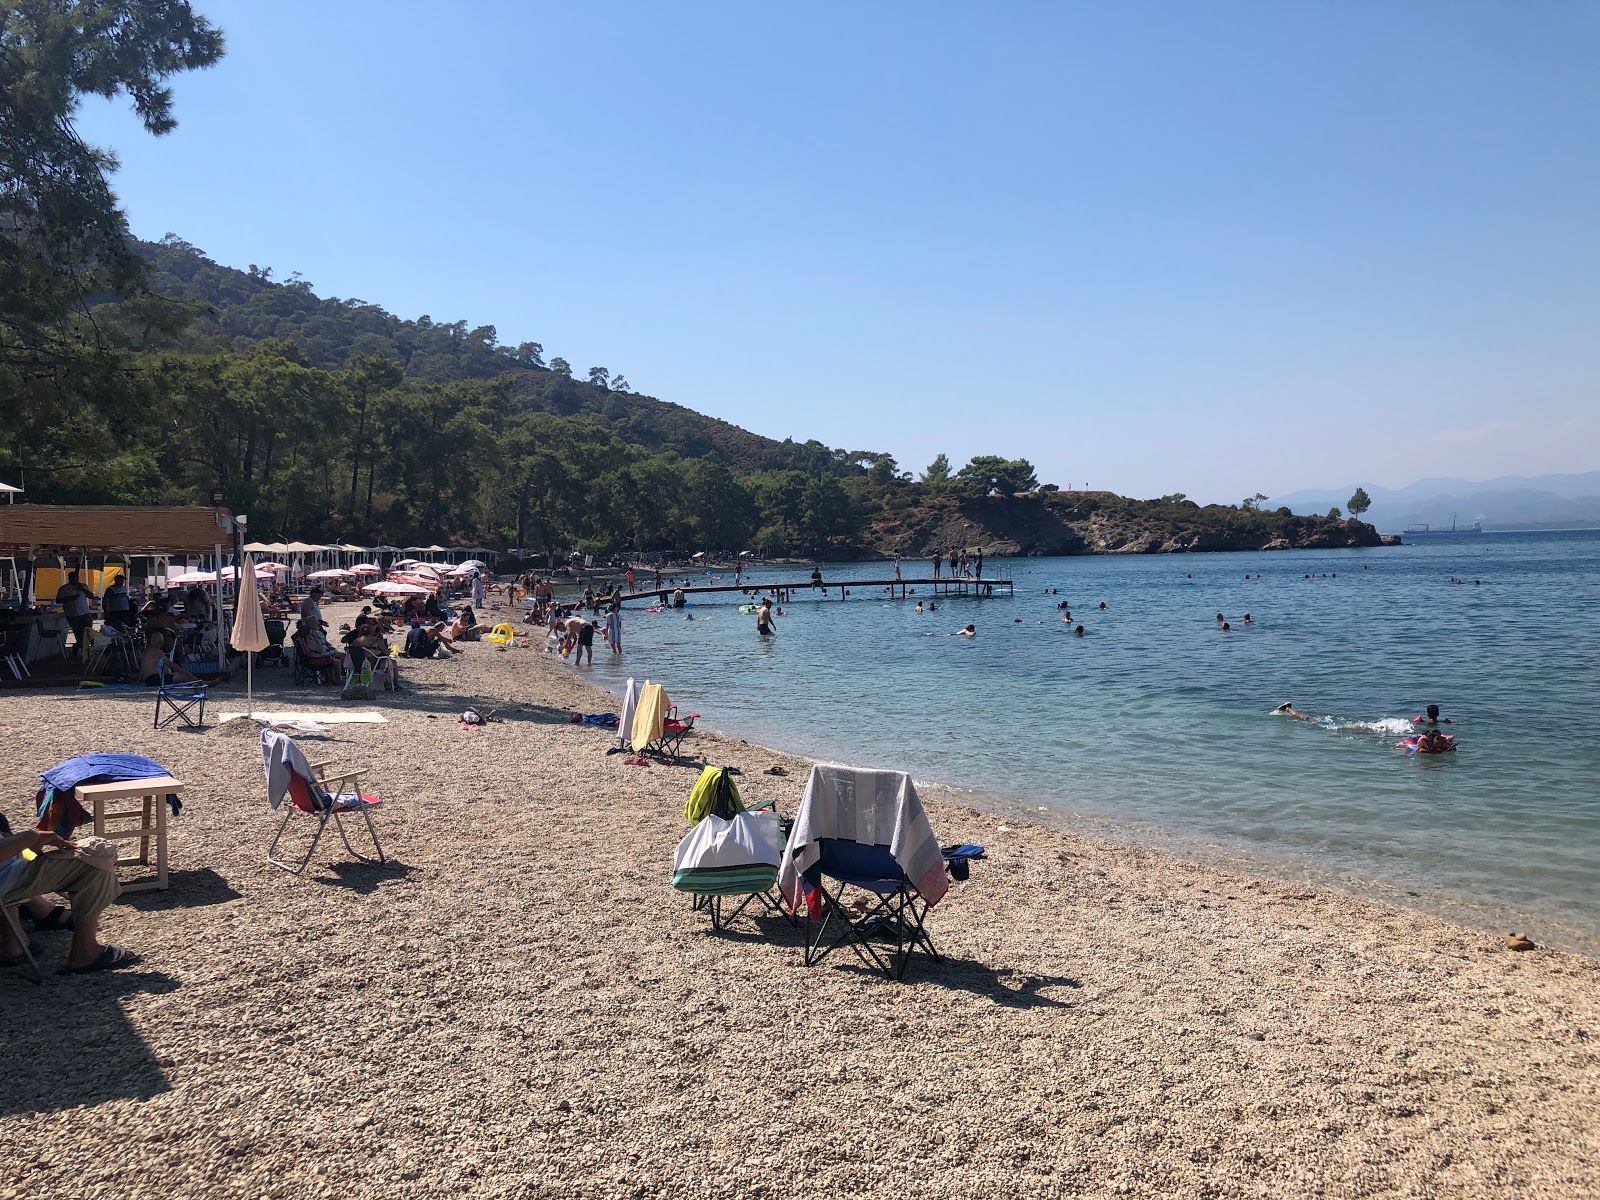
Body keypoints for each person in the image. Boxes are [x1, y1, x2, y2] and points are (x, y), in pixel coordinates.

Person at [1, 822, 139, 974]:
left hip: (10, 868)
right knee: (98, 857)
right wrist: (32, 836)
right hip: (6, 878)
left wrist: (28, 846)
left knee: (91, 853)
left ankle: (21, 936)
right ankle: (86, 953)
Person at [55, 571, 94, 652]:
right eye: (73, 578)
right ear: (69, 579)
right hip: (72, 614)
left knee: (87, 631)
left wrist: (83, 589)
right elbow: (58, 600)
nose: (75, 580)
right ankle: (82, 648)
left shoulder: (83, 586)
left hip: (85, 613)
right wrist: (69, 598)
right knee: (78, 632)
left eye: (76, 578)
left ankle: (81, 646)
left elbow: (91, 596)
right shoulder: (64, 588)